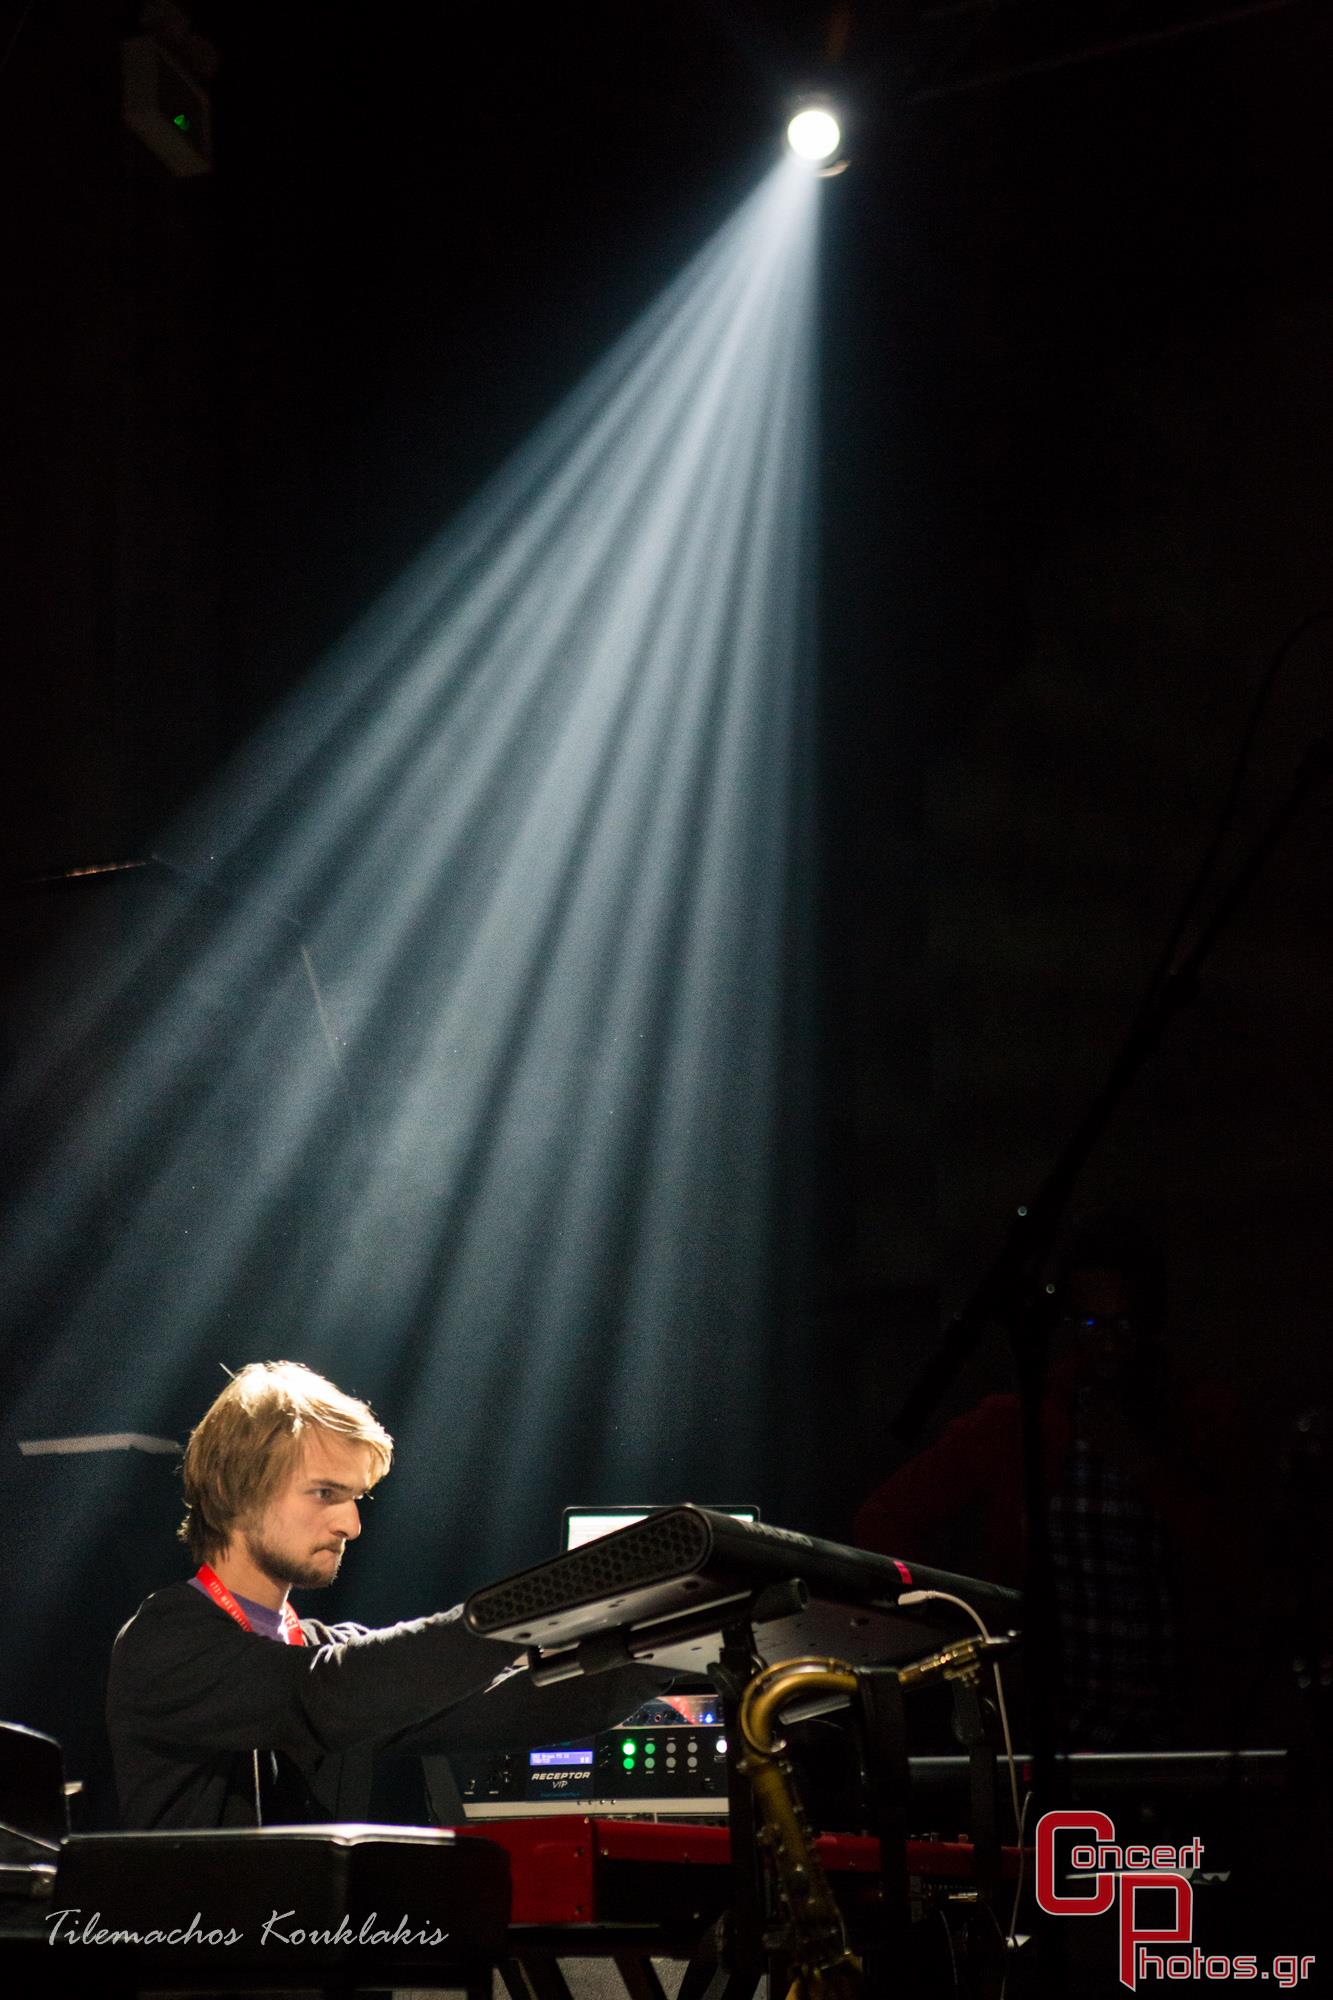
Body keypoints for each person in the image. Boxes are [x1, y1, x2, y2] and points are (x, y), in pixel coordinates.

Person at [107, 1360, 659, 1829]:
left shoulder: (318, 1649)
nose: (351, 1525)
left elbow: (517, 1708)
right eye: (325, 1493)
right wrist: (534, 1605)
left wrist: (669, 1643)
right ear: (238, 1491)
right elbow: (331, 1691)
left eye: (356, 1498)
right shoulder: (166, 1640)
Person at [853, 1215, 1254, 1747]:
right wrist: (963, 1625)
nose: (1108, 1344)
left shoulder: (1203, 1419)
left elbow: (1246, 1562)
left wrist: (1145, 1467)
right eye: (1091, 1324)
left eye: (1124, 1324)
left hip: (1188, 1731)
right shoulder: (1019, 1425)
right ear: (1068, 1325)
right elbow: (884, 1519)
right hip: (1054, 1728)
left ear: (1151, 1324)